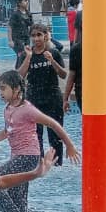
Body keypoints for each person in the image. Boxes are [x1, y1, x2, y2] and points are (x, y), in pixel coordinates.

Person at [0, 71, 80, 212]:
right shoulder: (8, 108)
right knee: (17, 197)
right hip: (18, 157)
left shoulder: (27, 110)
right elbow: (7, 131)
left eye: (3, 88)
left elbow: (53, 123)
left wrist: (69, 145)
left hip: (28, 157)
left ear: (17, 89)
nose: (0, 93)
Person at [15, 24, 67, 166]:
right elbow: (19, 76)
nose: (36, 38)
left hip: (53, 98)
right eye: (33, 35)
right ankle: (39, 165)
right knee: (35, 135)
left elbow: (63, 74)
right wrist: (28, 57)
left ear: (45, 35)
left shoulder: (53, 52)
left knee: (55, 134)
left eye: (39, 35)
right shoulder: (26, 54)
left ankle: (57, 164)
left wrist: (52, 61)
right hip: (34, 99)